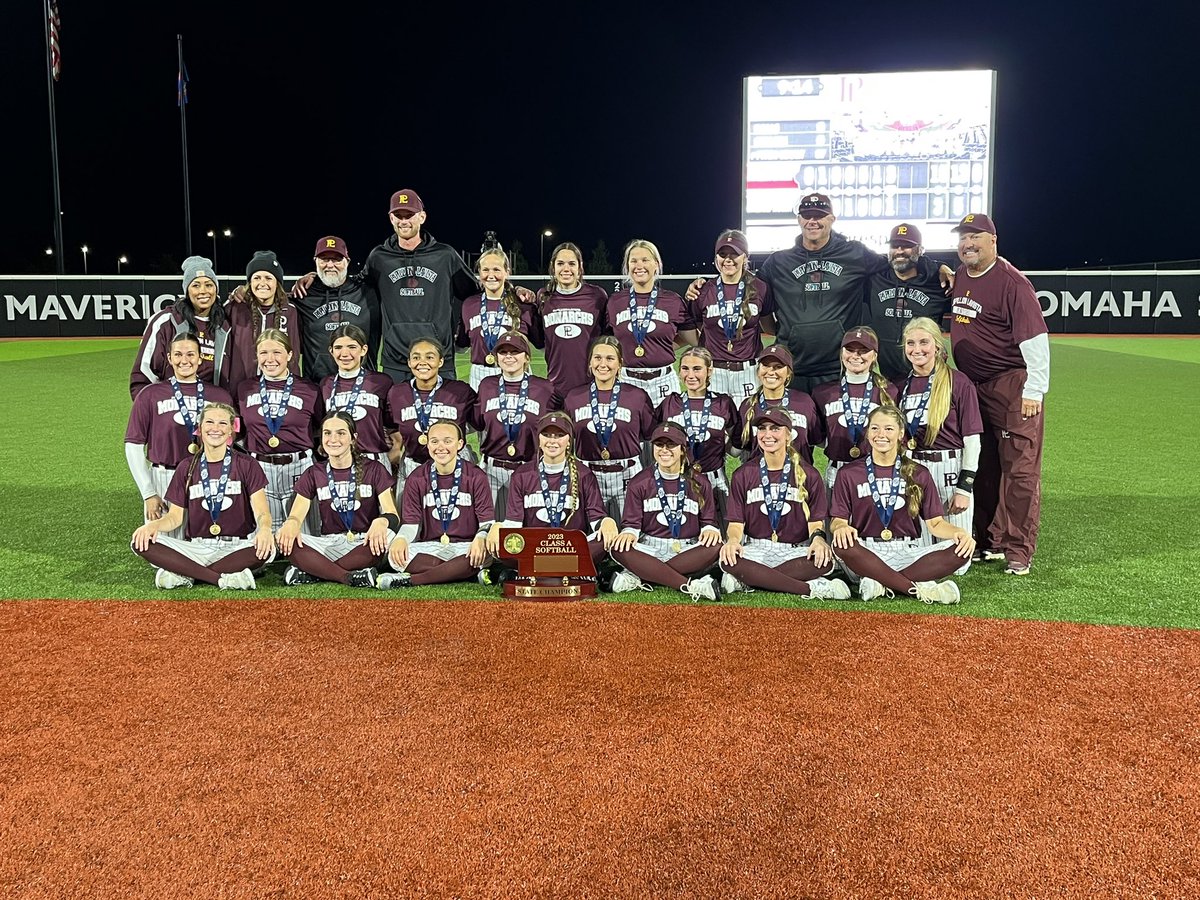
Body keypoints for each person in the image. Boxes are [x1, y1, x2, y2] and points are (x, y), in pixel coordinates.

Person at [686, 194, 952, 391]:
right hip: (791, 366)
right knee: (793, 442)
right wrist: (705, 284)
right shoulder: (779, 262)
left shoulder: (855, 253)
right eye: (807, 215)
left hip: (841, 367)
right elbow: (742, 282)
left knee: (843, 441)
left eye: (819, 215)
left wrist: (936, 266)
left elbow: (898, 264)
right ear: (799, 219)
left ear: (832, 219)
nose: (813, 220)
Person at [949, 213, 1049, 576]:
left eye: (975, 236)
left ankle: (1019, 549)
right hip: (973, 386)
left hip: (1011, 385)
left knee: (1020, 470)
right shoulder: (961, 273)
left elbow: (1036, 342)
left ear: (993, 240)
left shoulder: (1012, 282)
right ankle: (988, 539)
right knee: (983, 466)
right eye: (963, 237)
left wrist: (1034, 389)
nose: (968, 243)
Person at [830, 406, 974, 603]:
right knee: (842, 545)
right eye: (874, 428)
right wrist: (841, 527)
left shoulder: (918, 473)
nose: (881, 434)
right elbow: (838, 520)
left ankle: (879, 582)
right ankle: (917, 588)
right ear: (867, 432)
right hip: (866, 552)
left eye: (888, 429)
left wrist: (960, 533)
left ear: (900, 434)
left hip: (907, 550)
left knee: (960, 549)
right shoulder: (848, 473)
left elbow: (935, 524)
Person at [130, 401, 274, 590]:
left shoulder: (247, 464)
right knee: (141, 543)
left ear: (232, 429)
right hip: (198, 547)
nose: (216, 428)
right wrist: (151, 526)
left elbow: (262, 511)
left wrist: (264, 529)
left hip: (237, 546)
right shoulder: (186, 466)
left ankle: (186, 573)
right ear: (199, 428)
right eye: (209, 422)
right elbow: (174, 518)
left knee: (267, 550)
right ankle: (222, 578)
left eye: (223, 423)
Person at [719, 408, 849, 599]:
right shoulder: (743, 474)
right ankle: (810, 588)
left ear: (789, 434)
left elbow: (815, 521)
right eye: (762, 429)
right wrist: (732, 541)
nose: (767, 434)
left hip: (795, 551)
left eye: (775, 428)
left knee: (825, 561)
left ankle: (748, 580)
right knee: (728, 560)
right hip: (756, 550)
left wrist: (819, 539)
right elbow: (736, 523)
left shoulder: (809, 474)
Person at [484, 410, 619, 581]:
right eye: (547, 435)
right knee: (501, 543)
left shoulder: (584, 474)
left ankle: (528, 572)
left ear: (569, 440)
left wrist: (607, 521)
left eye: (559, 435)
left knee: (603, 541)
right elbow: (513, 523)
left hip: (571, 547)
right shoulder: (522, 474)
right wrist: (498, 527)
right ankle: (576, 570)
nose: (552, 441)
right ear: (539, 439)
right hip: (534, 547)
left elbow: (596, 520)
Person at [361, 188, 479, 382]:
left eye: (410, 215)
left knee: (444, 413)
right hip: (395, 361)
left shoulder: (445, 255)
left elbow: (474, 295)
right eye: (398, 215)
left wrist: (513, 290)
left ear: (422, 217)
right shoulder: (378, 258)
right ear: (391, 219)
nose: (404, 220)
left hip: (438, 359)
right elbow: (355, 288)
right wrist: (314, 277)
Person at [125, 332, 235, 537]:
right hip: (165, 476)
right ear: (169, 358)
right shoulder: (149, 395)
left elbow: (232, 441)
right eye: (178, 355)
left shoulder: (219, 395)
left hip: (209, 476)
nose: (184, 360)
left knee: (208, 543)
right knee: (164, 549)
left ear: (201, 358)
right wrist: (148, 493)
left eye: (191, 354)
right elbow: (133, 445)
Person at [276, 411, 399, 588]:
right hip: (329, 543)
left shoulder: (374, 469)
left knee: (388, 536)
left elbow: (393, 514)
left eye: (341, 433)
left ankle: (315, 572)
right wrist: (291, 523)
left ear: (353, 438)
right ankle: (348, 576)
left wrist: (383, 521)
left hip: (364, 542)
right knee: (287, 538)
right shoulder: (314, 472)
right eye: (327, 433)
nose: (333, 439)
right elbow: (296, 515)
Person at [897, 317, 983, 565]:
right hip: (914, 469)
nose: (917, 349)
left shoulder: (959, 382)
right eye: (910, 343)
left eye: (924, 342)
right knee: (919, 551)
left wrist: (964, 487)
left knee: (957, 560)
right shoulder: (901, 386)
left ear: (937, 346)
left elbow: (972, 440)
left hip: (949, 469)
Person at [607, 422, 723, 601]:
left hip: (687, 549)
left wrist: (710, 529)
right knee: (617, 547)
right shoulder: (639, 482)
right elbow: (632, 524)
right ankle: (692, 585)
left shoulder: (700, 482)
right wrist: (628, 533)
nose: (664, 450)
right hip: (650, 548)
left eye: (671, 445)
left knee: (716, 546)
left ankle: (642, 575)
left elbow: (709, 522)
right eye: (659, 445)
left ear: (683, 449)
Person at [377, 420, 495, 588]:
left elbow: (486, 523)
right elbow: (410, 525)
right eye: (434, 441)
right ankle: (464, 572)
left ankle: (411, 580)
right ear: (428, 444)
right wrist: (401, 538)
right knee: (396, 555)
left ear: (460, 444)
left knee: (485, 553)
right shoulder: (416, 478)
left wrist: (481, 537)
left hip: (466, 546)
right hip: (430, 546)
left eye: (448, 441)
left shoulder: (476, 476)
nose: (441, 447)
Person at [233, 329, 321, 531]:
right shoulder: (244, 388)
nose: (270, 359)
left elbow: (319, 427)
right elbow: (239, 429)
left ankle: (302, 563)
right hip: (259, 466)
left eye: (277, 352)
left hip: (300, 465)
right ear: (256, 356)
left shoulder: (309, 389)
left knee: (305, 531)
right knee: (264, 532)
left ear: (290, 355)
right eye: (263, 353)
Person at [560, 336, 657, 519]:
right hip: (588, 474)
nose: (603, 364)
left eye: (610, 358)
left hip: (628, 474)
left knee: (630, 534)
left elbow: (650, 437)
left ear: (620, 364)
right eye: (597, 358)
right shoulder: (574, 397)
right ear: (589, 362)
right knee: (590, 536)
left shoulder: (637, 396)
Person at [608, 239, 698, 408]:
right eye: (633, 261)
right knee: (629, 434)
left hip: (664, 381)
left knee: (667, 433)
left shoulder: (673, 301)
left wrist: (662, 348)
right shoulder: (615, 302)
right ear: (627, 266)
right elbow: (606, 340)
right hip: (627, 379)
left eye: (645, 260)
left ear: (656, 264)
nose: (639, 265)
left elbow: (693, 339)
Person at [384, 338, 477, 501]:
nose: (422, 362)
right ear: (409, 362)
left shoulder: (460, 391)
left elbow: (478, 423)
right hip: (414, 464)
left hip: (454, 465)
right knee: (409, 521)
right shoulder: (397, 393)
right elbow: (391, 426)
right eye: (416, 357)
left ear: (440, 361)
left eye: (429, 357)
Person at [130, 256, 232, 399]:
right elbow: (143, 374)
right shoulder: (166, 321)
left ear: (216, 289)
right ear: (187, 290)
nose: (203, 291)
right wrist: (150, 410)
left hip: (212, 413)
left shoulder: (225, 324)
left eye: (209, 285)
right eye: (196, 285)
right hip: (173, 409)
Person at [657, 346, 740, 519]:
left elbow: (737, 443)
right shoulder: (670, 403)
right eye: (685, 369)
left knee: (722, 536)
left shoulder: (723, 403)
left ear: (709, 371)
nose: (691, 375)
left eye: (697, 369)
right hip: (678, 480)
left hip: (716, 480)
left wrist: (718, 447)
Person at [690, 229, 773, 400]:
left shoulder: (760, 288)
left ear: (745, 256)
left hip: (749, 371)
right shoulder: (703, 290)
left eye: (734, 254)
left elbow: (770, 327)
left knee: (747, 424)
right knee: (714, 425)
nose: (728, 259)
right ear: (716, 258)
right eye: (722, 254)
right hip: (713, 371)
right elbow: (698, 327)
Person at [474, 331, 556, 503]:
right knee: (487, 525)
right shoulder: (487, 385)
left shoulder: (544, 388)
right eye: (503, 352)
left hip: (529, 469)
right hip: (492, 469)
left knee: (528, 527)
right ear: (496, 357)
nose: (508, 356)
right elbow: (478, 422)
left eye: (515, 352)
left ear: (526, 357)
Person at [811, 327, 896, 494]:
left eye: (863, 350)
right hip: (836, 471)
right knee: (835, 521)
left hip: (876, 472)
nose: (855, 356)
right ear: (842, 353)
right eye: (850, 349)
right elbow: (819, 436)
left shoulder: (889, 391)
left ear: (874, 356)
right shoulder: (823, 392)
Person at [864, 224, 953, 381]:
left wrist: (940, 268)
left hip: (927, 376)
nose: (899, 251)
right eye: (894, 246)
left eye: (907, 246)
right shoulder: (875, 279)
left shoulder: (936, 283)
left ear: (920, 249)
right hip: (887, 376)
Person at [291, 236, 381, 383]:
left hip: (364, 386)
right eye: (324, 259)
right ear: (315, 262)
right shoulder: (303, 295)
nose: (330, 265)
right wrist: (243, 291)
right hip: (318, 386)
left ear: (348, 262)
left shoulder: (368, 292)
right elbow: (269, 299)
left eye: (337, 259)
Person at [536, 242, 609, 406]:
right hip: (555, 388)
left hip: (591, 387)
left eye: (571, 263)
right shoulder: (543, 297)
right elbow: (541, 341)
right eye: (560, 263)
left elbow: (608, 338)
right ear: (552, 267)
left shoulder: (597, 296)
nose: (566, 269)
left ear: (580, 267)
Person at [317, 325, 394, 472]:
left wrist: (395, 451)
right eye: (338, 347)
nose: (345, 353)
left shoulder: (381, 382)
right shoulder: (325, 384)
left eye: (352, 347)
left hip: (374, 459)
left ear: (363, 350)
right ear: (331, 351)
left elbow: (393, 425)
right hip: (337, 460)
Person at [461, 246, 538, 391]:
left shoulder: (523, 304)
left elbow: (541, 344)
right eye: (485, 270)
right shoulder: (469, 305)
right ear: (479, 272)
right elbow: (461, 347)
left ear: (507, 272)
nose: (491, 275)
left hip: (517, 371)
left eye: (496, 269)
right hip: (480, 373)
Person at [735, 345, 823, 464]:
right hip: (760, 479)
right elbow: (741, 446)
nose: (771, 372)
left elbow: (815, 439)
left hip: (799, 478)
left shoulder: (804, 402)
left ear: (788, 373)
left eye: (778, 367)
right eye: (766, 366)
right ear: (758, 370)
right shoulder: (747, 405)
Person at [226, 251, 299, 389]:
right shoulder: (234, 309)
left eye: (268, 278)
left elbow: (294, 353)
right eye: (257, 278)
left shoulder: (290, 311)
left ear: (277, 283)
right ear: (250, 282)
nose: (262, 283)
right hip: (241, 390)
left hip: (280, 390)